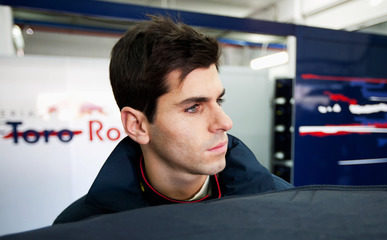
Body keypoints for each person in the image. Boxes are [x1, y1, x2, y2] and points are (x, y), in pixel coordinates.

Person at [53, 16, 291, 224]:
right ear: (137, 125)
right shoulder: (81, 231)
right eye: (193, 107)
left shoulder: (283, 205)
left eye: (218, 101)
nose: (225, 123)